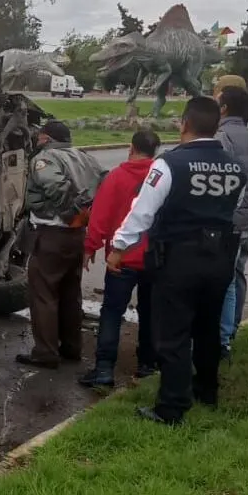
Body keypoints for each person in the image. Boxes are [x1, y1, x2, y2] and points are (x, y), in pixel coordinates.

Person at [109, 96, 246, 425]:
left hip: (180, 258)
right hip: (220, 258)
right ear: (215, 125)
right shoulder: (234, 165)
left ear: (184, 123)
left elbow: (142, 212)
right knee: (208, 328)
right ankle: (206, 391)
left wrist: (119, 247)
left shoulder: (169, 164)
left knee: (173, 334)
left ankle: (171, 407)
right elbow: (235, 207)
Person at [17, 120, 106, 369]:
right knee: (70, 293)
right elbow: (105, 182)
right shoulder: (86, 157)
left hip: (52, 235)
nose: (37, 141)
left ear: (47, 138)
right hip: (77, 236)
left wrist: (70, 211)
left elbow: (55, 185)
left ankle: (45, 352)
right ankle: (72, 347)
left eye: (40, 137)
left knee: (44, 294)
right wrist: (86, 213)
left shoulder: (45, 158)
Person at [79, 129, 161, 388]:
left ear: (130, 148)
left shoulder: (116, 177)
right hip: (153, 259)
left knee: (112, 312)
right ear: (155, 151)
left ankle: (104, 370)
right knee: (151, 312)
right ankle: (147, 365)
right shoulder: (161, 177)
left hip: (121, 259)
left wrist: (90, 247)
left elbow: (100, 217)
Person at [214, 85, 248, 358]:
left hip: (228, 221)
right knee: (236, 276)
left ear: (224, 108)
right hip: (246, 219)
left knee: (225, 281)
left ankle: (222, 339)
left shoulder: (223, 138)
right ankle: (230, 331)